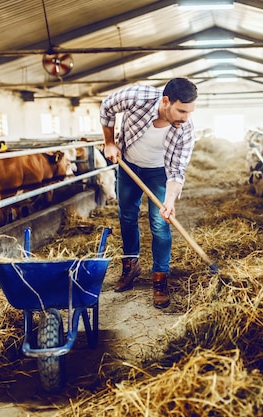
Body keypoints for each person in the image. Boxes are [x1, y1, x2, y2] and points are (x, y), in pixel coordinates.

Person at [100, 78, 198, 309]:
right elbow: (106, 107)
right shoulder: (138, 97)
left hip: (159, 173)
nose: (186, 118)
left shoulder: (186, 129)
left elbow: (177, 170)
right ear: (166, 101)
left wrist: (170, 201)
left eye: (190, 112)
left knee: (160, 221)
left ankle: (160, 277)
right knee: (127, 216)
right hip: (128, 166)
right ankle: (130, 265)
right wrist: (109, 142)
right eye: (182, 111)